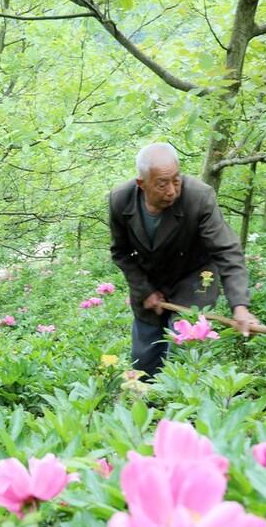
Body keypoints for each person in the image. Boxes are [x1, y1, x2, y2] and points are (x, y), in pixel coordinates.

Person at [109, 142, 258, 376]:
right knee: (144, 357)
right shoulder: (121, 200)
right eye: (162, 184)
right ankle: (145, 403)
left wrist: (240, 306)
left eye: (176, 180)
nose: (172, 191)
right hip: (149, 278)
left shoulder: (199, 196)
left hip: (195, 276)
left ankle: (182, 405)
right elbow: (121, 252)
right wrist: (144, 289)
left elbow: (227, 250)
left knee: (184, 347)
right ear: (142, 184)